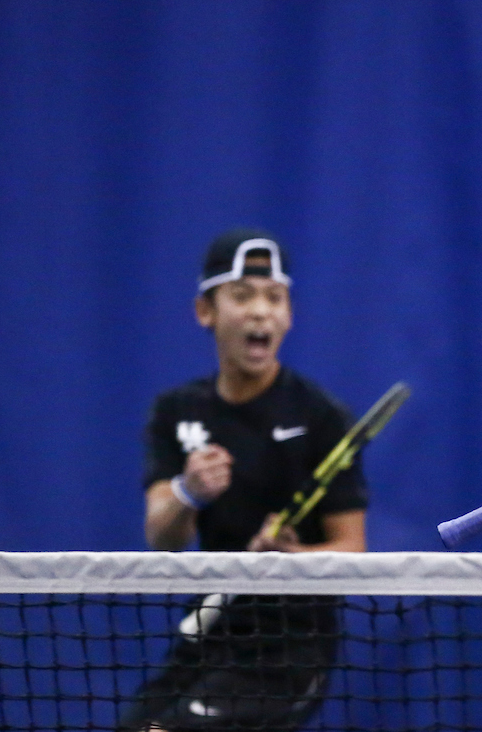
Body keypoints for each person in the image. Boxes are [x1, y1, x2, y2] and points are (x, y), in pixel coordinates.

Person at [120, 228, 369, 732]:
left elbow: (352, 549)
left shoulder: (321, 416)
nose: (261, 311)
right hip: (212, 632)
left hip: (289, 652)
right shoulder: (176, 411)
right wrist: (188, 492)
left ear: (289, 315)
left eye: (275, 298)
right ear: (204, 311)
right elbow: (161, 538)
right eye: (242, 295)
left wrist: (291, 560)